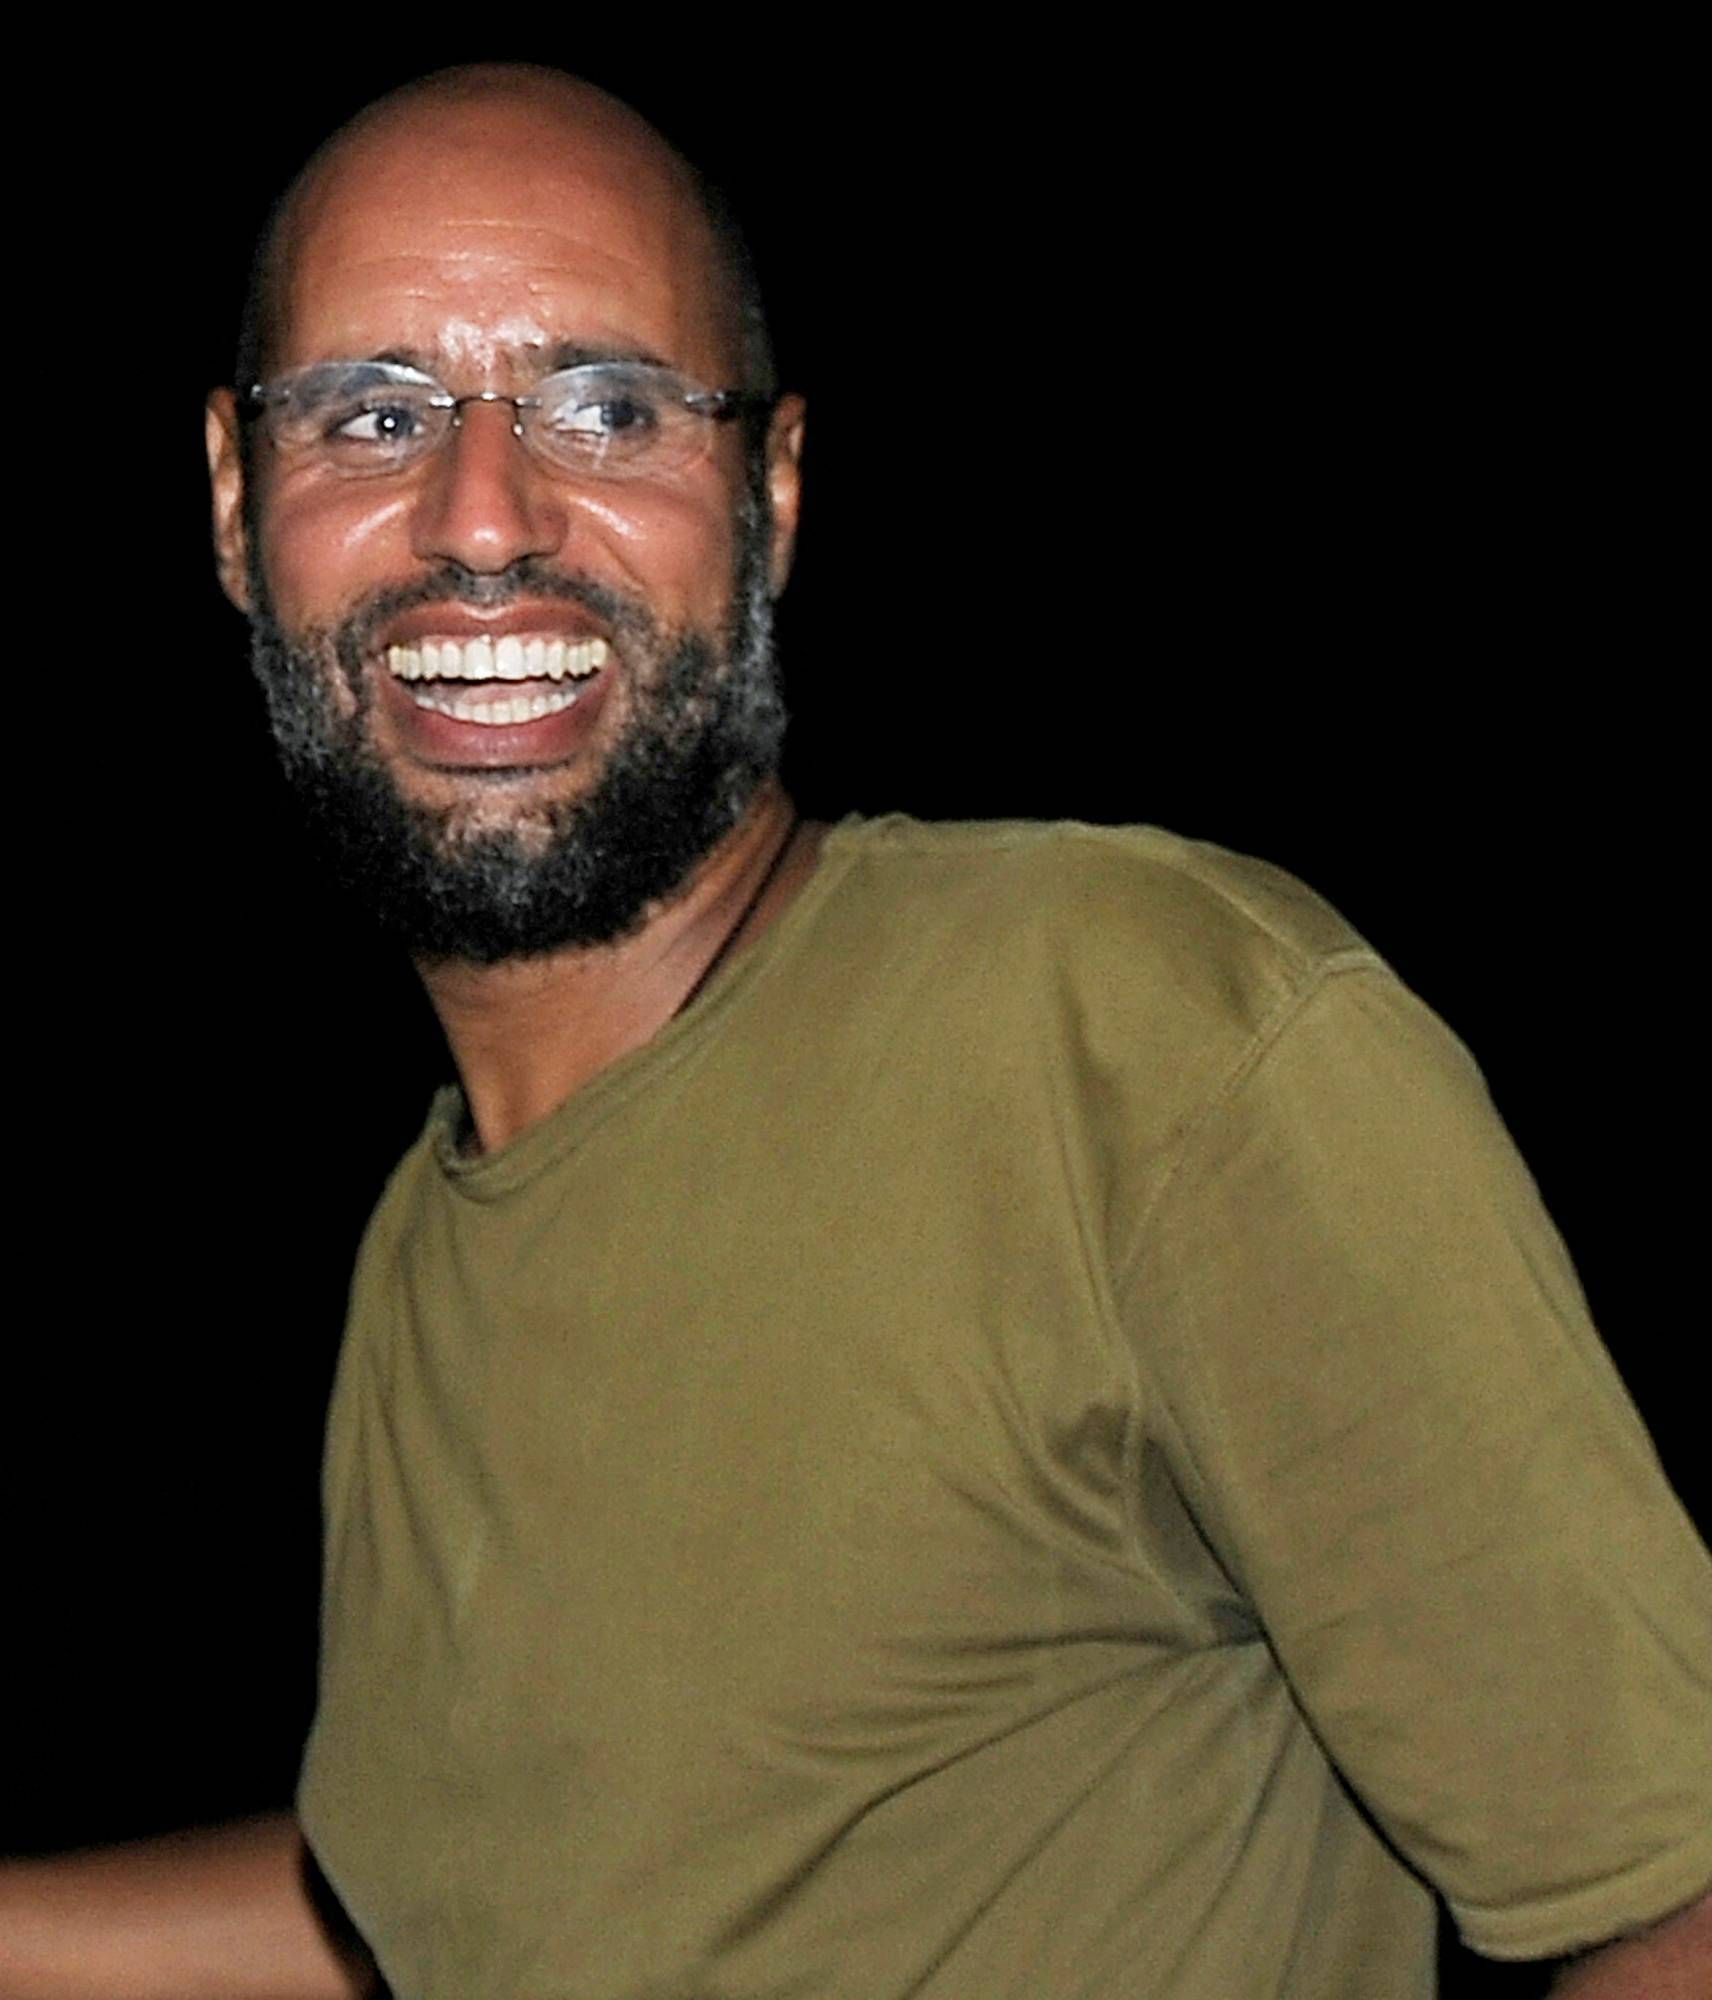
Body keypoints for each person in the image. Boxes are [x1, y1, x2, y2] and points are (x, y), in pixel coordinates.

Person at [4, 60, 1709, 2000]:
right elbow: (477, 1909)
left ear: (774, 491)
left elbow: (1673, 1890)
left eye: (609, 407)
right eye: (374, 414)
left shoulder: (1137, 1037)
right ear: (237, 504)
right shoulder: (426, 1238)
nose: (482, 518)